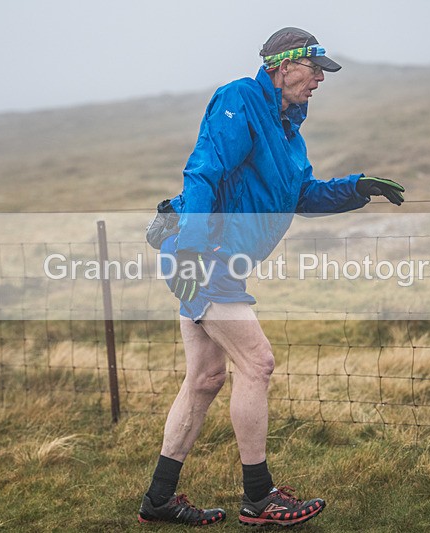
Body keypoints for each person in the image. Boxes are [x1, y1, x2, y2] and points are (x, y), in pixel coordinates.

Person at [139, 27, 405, 527]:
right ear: (284, 67)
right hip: (203, 256)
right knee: (257, 363)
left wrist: (356, 188)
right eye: (314, 70)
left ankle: (159, 499)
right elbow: (203, 172)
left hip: (217, 260)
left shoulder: (289, 136)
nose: (319, 80)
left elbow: (301, 195)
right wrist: (192, 249)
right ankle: (260, 498)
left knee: (205, 379)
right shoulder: (240, 99)